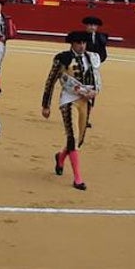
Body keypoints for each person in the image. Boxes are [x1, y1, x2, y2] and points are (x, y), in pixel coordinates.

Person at [41, 30, 102, 191]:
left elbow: (96, 79)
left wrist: (95, 92)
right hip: (68, 100)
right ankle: (78, 178)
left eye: (84, 43)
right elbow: (51, 81)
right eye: (78, 43)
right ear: (72, 44)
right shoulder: (63, 58)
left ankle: (60, 157)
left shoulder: (91, 58)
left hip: (85, 101)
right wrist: (45, 105)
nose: (82, 46)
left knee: (79, 140)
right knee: (73, 137)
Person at [81, 16, 109, 128]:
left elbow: (103, 54)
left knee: (91, 94)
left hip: (93, 70)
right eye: (90, 25)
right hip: (81, 68)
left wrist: (96, 61)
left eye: (94, 25)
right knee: (79, 92)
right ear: (86, 26)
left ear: (97, 27)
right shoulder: (80, 37)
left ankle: (85, 118)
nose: (92, 27)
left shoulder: (101, 38)